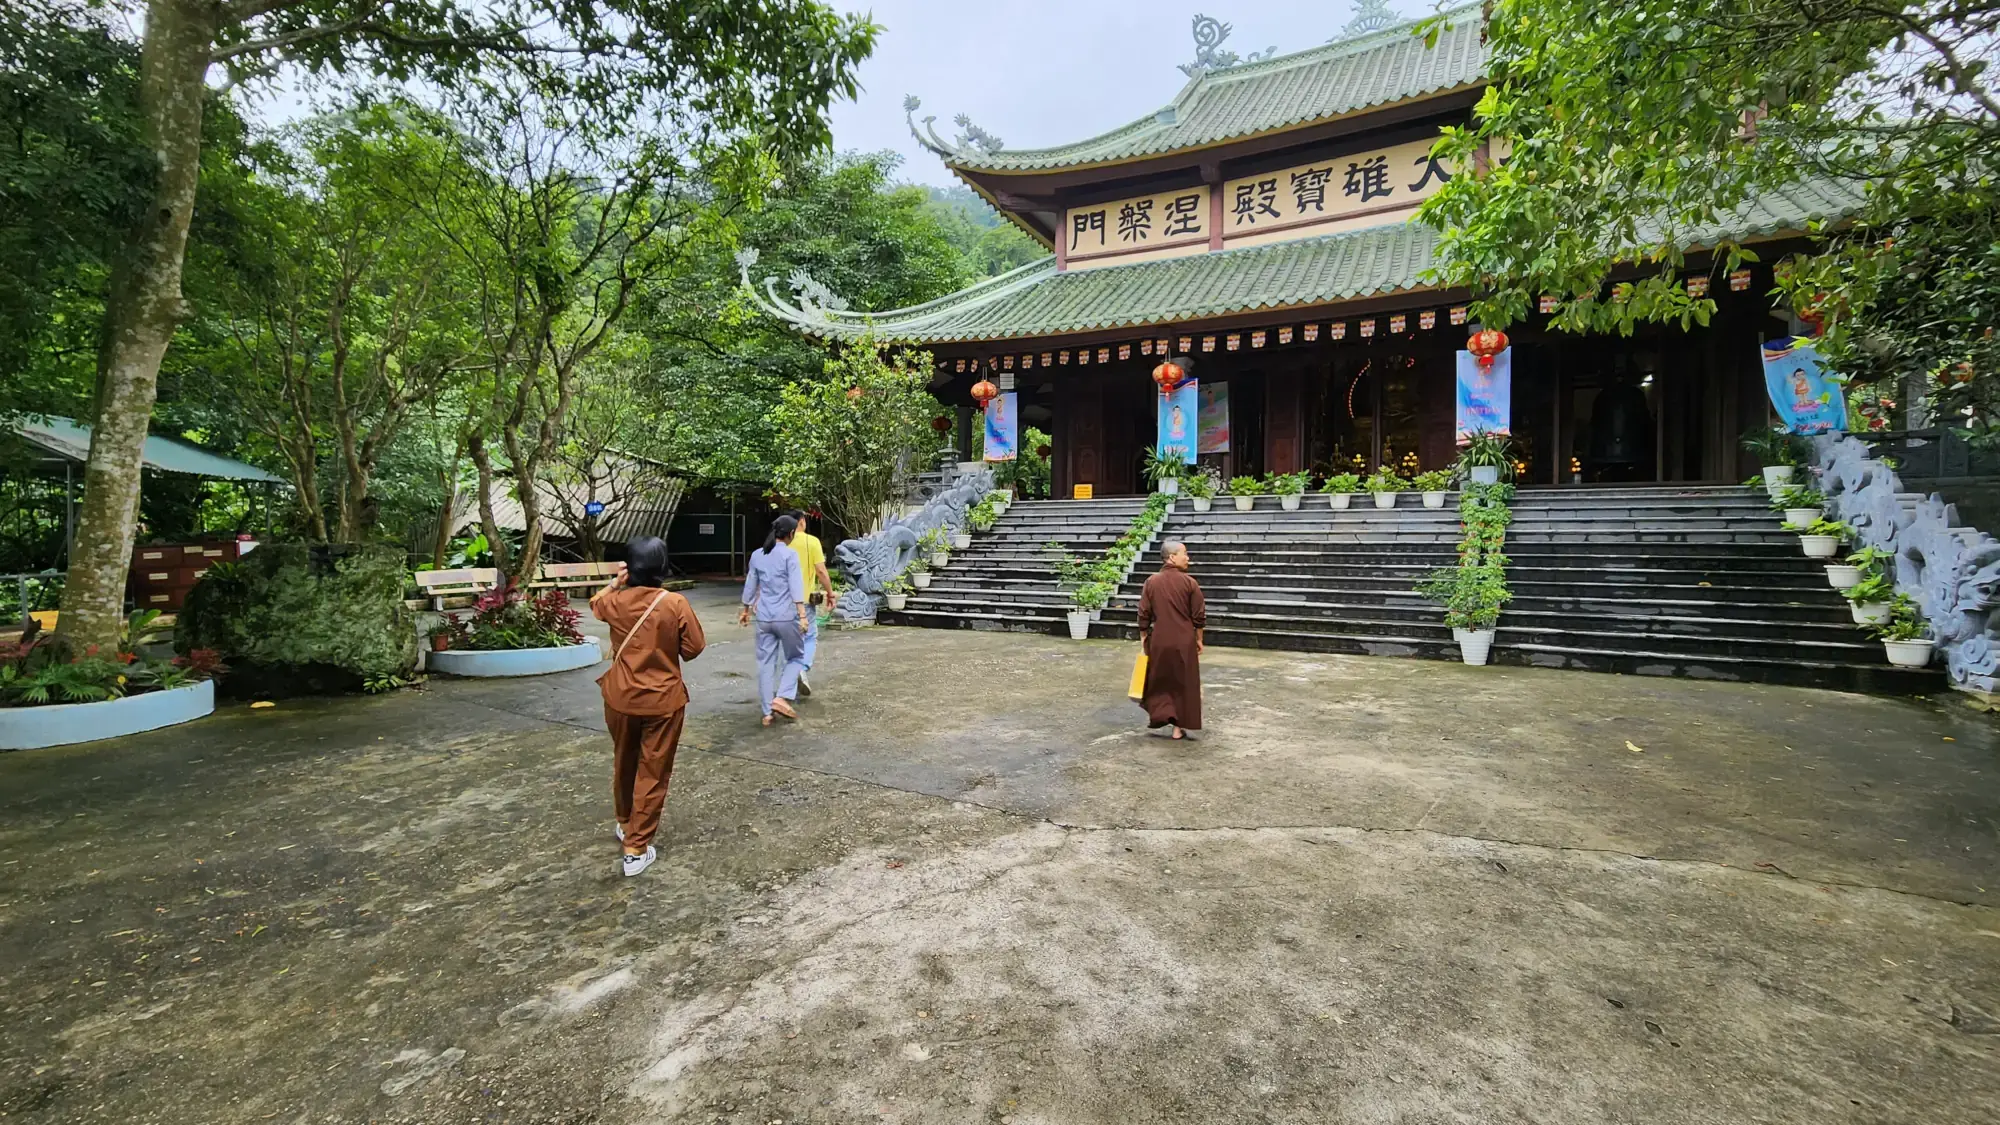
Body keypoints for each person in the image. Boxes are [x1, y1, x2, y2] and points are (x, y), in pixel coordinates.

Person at [589, 536, 706, 878]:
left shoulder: (616, 602)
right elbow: (693, 648)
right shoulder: (674, 603)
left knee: (624, 762)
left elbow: (595, 603)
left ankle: (626, 824)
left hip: (621, 699)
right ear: (662, 567)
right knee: (653, 771)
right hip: (662, 702)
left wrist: (615, 583)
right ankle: (636, 849)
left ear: (630, 567)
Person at [739, 514, 811, 725]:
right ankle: (782, 696)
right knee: (796, 657)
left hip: (763, 618)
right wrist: (803, 615)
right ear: (791, 534)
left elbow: (751, 584)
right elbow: (796, 586)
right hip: (786, 617)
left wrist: (745, 609)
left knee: (765, 664)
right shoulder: (790, 555)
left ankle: (767, 713)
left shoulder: (757, 555)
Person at [1136, 540, 1205, 739]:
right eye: (1184, 553)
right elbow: (1198, 616)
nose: (1188, 557)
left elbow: (1144, 613)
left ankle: (1163, 714)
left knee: (1161, 680)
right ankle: (1178, 727)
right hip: (1184, 640)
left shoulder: (1152, 582)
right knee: (1184, 682)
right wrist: (1199, 639)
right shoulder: (1190, 583)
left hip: (1160, 639)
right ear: (1172, 557)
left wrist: (1143, 637)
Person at [786, 508, 835, 697]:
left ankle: (788, 680)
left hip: (782, 602)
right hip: (805, 601)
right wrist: (830, 593)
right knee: (809, 636)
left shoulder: (779, 544)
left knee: (789, 639)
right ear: (801, 521)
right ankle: (802, 667)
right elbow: (821, 571)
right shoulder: (811, 541)